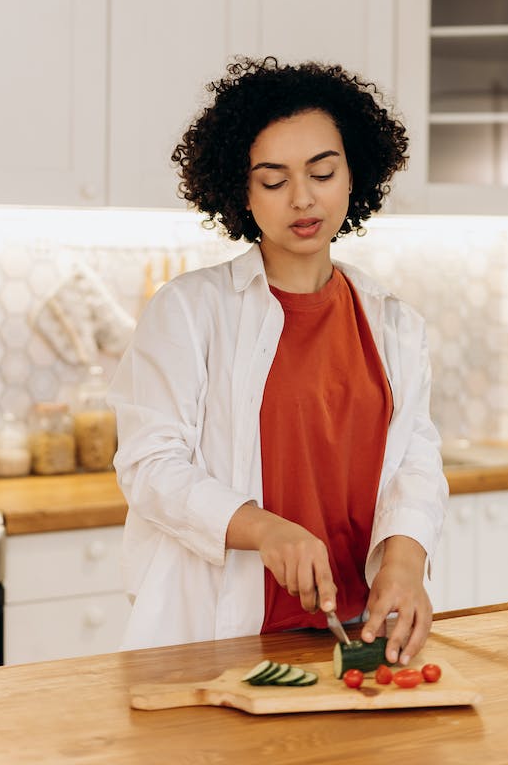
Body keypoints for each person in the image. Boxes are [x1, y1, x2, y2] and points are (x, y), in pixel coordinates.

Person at [109, 56, 448, 666]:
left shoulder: (394, 322)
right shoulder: (189, 311)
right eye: (273, 180)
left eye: (322, 172)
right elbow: (150, 466)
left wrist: (405, 556)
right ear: (240, 190)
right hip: (223, 639)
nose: (302, 198)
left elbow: (415, 460)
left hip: (359, 638)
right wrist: (264, 529)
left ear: (353, 176)